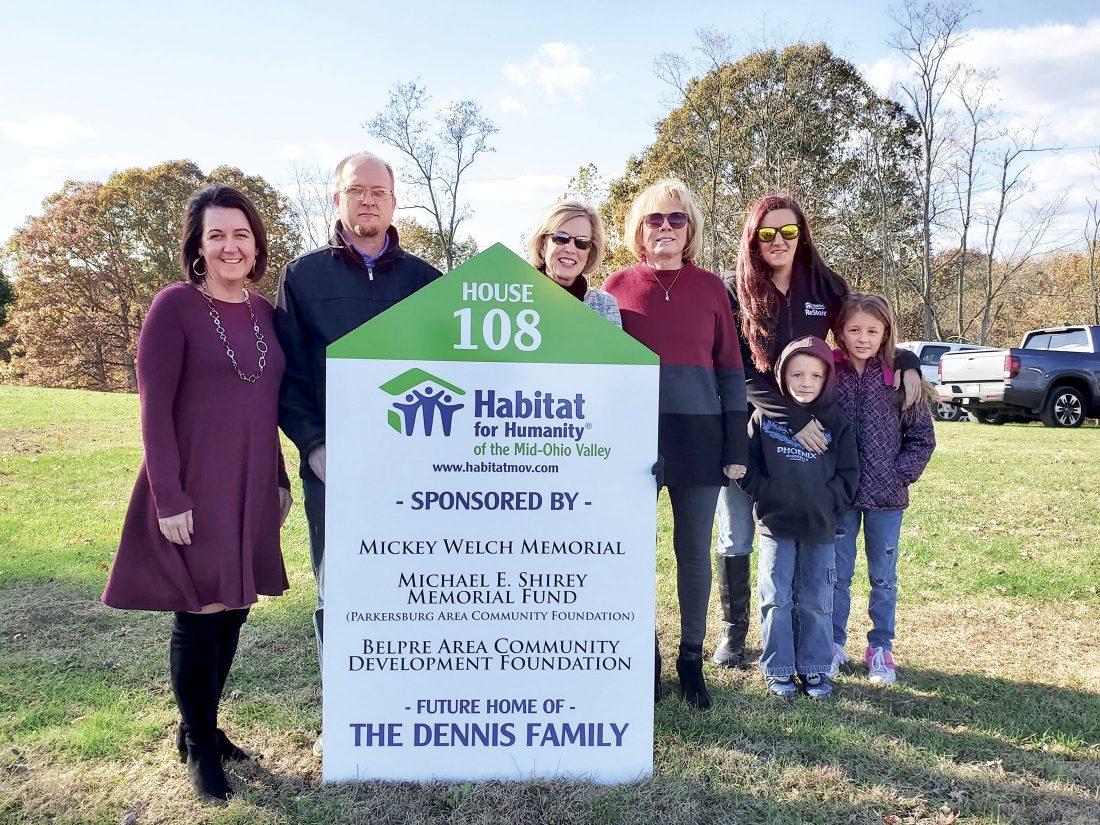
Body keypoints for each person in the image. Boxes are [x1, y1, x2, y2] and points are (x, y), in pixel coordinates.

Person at [102, 184, 292, 802]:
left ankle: (203, 728)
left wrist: (280, 478)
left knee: (235, 605)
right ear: (198, 246)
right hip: (195, 483)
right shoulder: (175, 306)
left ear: (256, 243)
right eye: (217, 235)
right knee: (202, 610)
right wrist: (169, 497)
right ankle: (198, 743)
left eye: (241, 234)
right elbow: (153, 412)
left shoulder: (266, 314)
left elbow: (267, 406)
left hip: (252, 481)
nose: (231, 245)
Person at [274, 152, 443, 750]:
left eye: (378, 191)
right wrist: (315, 448)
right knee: (338, 589)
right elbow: (289, 380)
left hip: (414, 468)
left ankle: (412, 703)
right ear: (337, 199)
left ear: (395, 202)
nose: (367, 200)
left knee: (414, 586)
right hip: (334, 469)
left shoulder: (427, 283)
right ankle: (344, 711)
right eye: (355, 191)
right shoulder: (302, 277)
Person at [712, 195, 923, 670]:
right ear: (753, 237)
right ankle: (735, 632)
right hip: (752, 422)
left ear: (803, 234)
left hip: (810, 435)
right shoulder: (733, 288)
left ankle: (801, 634)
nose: (779, 241)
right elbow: (735, 366)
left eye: (789, 231)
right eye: (767, 232)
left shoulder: (826, 285)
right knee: (738, 533)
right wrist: (791, 418)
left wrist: (906, 359)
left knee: (796, 531)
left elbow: (865, 327)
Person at [603, 179, 747, 710]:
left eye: (676, 219)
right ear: (638, 230)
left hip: (701, 438)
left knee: (693, 553)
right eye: (654, 219)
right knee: (631, 554)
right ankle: (643, 657)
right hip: (631, 442)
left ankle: (691, 659)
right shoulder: (613, 288)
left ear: (691, 230)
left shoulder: (712, 289)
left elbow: (731, 371)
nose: (665, 228)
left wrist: (736, 446)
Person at [741, 336, 859, 700]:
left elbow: (849, 474)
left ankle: (814, 669)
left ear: (827, 380)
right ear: (782, 376)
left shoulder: (836, 422)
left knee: (815, 599)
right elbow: (748, 466)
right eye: (796, 374)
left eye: (814, 375)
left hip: (821, 528)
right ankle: (777, 668)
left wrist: (829, 500)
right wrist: (768, 492)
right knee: (775, 597)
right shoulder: (764, 417)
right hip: (775, 525)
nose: (805, 382)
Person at [829, 293, 936, 685]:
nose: (862, 338)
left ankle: (881, 647)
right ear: (839, 331)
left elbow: (922, 438)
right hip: (839, 497)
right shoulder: (828, 372)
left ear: (886, 332)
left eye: (872, 330)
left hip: (887, 499)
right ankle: (833, 643)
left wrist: (899, 475)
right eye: (854, 329)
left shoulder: (899, 376)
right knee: (836, 574)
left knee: (883, 577)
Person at [527, 199, 621, 327]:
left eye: (581, 242)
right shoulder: (518, 298)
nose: (570, 249)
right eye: (561, 238)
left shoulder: (605, 305)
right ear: (543, 245)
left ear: (589, 252)